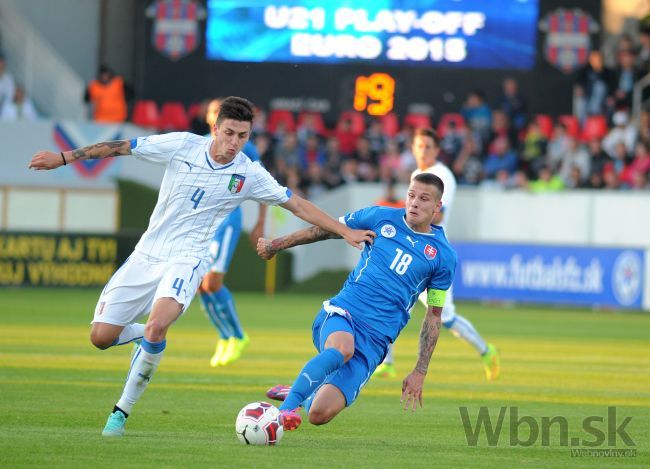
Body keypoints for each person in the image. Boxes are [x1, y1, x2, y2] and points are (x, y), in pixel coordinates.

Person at [27, 96, 374, 437]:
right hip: (146, 254)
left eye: (243, 136)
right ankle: (144, 340)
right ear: (214, 128)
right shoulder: (181, 145)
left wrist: (343, 230)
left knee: (157, 326)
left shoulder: (249, 174)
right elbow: (122, 146)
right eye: (229, 133)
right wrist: (64, 157)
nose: (234, 142)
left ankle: (120, 412)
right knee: (100, 338)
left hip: (189, 258)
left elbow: (297, 204)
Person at [257, 172, 457, 430]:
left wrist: (420, 370)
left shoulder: (443, 256)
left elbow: (434, 315)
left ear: (437, 206)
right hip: (344, 314)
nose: (415, 203)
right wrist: (277, 244)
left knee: (319, 414)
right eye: (411, 195)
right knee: (343, 347)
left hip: (375, 341)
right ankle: (283, 412)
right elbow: (325, 230)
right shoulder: (380, 216)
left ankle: (300, 391)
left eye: (424, 198)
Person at [374, 128, 500, 380]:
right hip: (409, 248)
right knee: (390, 299)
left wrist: (394, 211)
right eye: (419, 146)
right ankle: (386, 362)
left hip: (432, 255)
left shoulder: (443, 176)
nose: (423, 151)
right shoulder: (416, 174)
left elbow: (438, 214)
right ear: (413, 148)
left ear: (437, 150)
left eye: (428, 146)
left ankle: (486, 351)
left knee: (445, 317)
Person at [198, 98, 265, 367]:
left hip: (226, 221)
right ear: (210, 120)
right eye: (213, 112)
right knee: (201, 287)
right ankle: (225, 337)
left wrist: (260, 222)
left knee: (212, 283)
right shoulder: (199, 144)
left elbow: (263, 183)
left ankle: (237, 335)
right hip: (203, 223)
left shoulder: (246, 148)